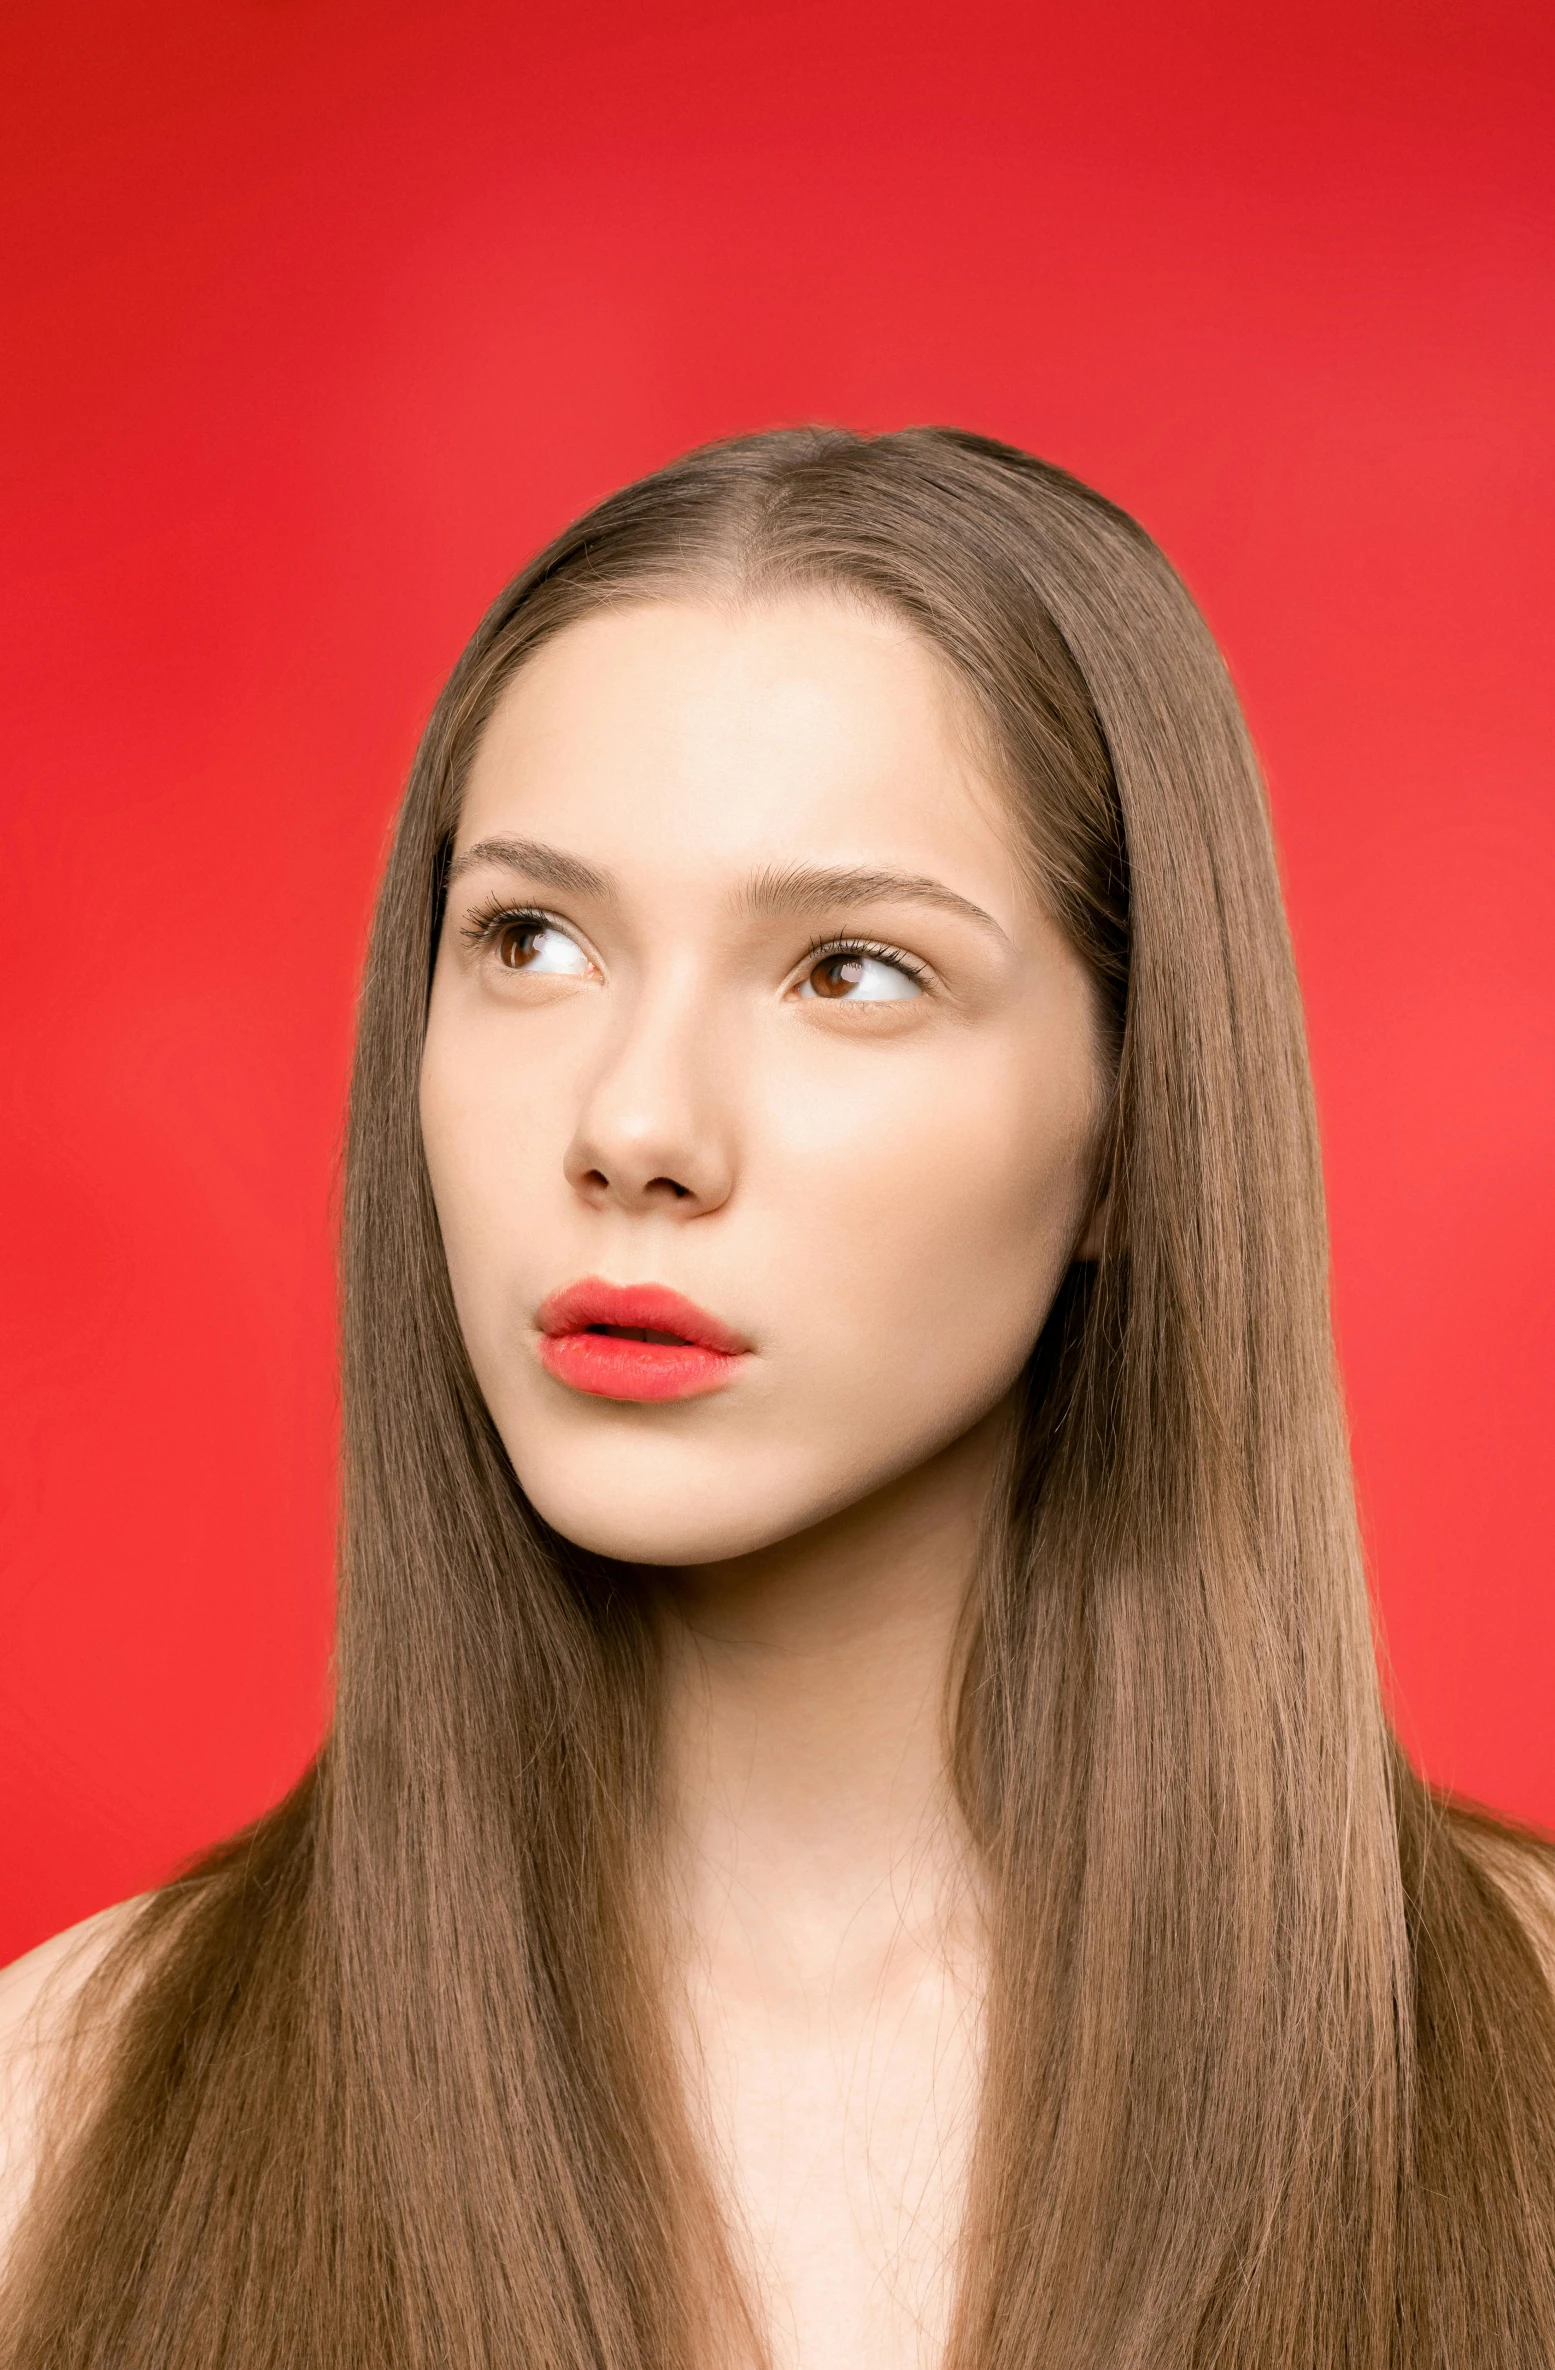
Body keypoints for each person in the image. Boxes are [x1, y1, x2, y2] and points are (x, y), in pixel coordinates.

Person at [1, 426, 1552, 2370]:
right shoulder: (52, 2125)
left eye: (849, 969)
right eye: (532, 941)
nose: (635, 1125)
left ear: (1140, 1127)